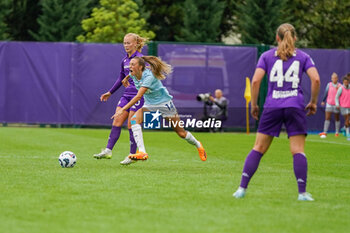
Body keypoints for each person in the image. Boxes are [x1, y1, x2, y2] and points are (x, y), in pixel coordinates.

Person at [232, 23, 320, 201]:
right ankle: (302, 193)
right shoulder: (303, 57)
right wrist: (313, 102)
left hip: (272, 106)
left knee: (258, 148)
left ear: (277, 38)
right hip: (295, 105)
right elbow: (316, 79)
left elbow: (256, 82)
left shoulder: (266, 56)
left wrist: (254, 105)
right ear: (295, 38)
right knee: (297, 150)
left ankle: (241, 189)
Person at [112, 56, 207, 162]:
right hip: (150, 105)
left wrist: (122, 109)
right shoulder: (133, 74)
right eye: (130, 64)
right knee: (134, 120)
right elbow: (130, 74)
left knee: (181, 133)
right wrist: (126, 78)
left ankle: (198, 145)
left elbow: (138, 96)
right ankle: (142, 152)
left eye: (133, 64)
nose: (130, 66)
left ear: (140, 67)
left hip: (164, 104)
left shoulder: (149, 77)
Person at [93, 33, 146, 165]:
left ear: (136, 43)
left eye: (128, 43)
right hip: (126, 95)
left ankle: (132, 155)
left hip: (138, 95)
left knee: (131, 124)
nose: (126, 45)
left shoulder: (141, 59)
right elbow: (120, 78)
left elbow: (146, 77)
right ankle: (108, 150)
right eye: (124, 43)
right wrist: (110, 92)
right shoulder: (124, 60)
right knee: (117, 120)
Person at [319, 72, 341, 138]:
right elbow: (326, 93)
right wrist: (323, 100)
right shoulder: (329, 85)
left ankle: (337, 132)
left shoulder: (340, 86)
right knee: (327, 118)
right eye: (333, 78)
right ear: (331, 79)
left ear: (337, 78)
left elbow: (342, 95)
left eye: (335, 78)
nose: (334, 79)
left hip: (336, 104)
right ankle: (325, 132)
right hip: (329, 104)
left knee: (337, 118)